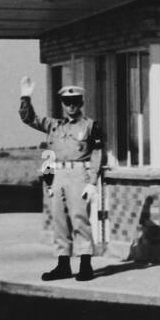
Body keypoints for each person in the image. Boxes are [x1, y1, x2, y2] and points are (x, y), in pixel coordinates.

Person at [19, 77, 104, 282]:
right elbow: (29, 118)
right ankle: (63, 264)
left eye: (75, 101)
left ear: (81, 102)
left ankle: (85, 264)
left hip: (79, 174)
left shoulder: (90, 125)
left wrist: (92, 182)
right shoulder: (54, 126)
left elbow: (97, 154)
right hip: (58, 174)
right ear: (62, 104)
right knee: (59, 220)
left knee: (79, 218)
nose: (71, 105)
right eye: (67, 102)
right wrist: (25, 97)